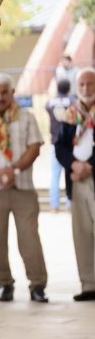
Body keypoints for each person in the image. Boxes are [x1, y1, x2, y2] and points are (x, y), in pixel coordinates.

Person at [0, 73, 48, 302]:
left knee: (29, 238)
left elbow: (34, 147)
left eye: (4, 92)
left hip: (22, 187)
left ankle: (37, 285)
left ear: (12, 92)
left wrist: (13, 171)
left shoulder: (27, 118)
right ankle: (4, 283)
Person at [55, 68, 95, 301]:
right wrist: (74, 166)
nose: (86, 89)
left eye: (90, 84)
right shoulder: (71, 114)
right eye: (82, 85)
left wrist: (89, 165)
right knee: (82, 232)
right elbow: (59, 146)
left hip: (90, 172)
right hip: (77, 180)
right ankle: (89, 284)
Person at [46, 78, 73, 212]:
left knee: (55, 175)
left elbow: (46, 107)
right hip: (68, 143)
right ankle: (69, 203)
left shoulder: (50, 102)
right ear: (69, 88)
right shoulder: (72, 102)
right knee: (69, 172)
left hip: (54, 140)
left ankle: (54, 205)